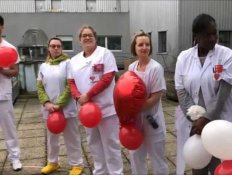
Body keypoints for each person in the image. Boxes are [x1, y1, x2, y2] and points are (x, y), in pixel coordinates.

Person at [174, 13, 232, 175]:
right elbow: (181, 92)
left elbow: (223, 93)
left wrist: (206, 119)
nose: (212, 38)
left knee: (221, 166)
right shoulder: (184, 57)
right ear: (196, 36)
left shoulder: (226, 55)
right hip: (194, 124)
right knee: (198, 164)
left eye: (214, 33)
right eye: (207, 34)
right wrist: (196, 120)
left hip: (221, 120)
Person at [68, 25, 123, 175]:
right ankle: (100, 171)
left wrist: (88, 95)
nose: (87, 37)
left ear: (95, 37)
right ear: (79, 40)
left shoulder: (105, 54)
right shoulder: (74, 60)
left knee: (111, 143)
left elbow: (108, 77)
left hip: (106, 109)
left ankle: (116, 172)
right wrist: (77, 96)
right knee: (93, 143)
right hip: (87, 111)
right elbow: (71, 82)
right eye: (83, 35)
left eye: (89, 35)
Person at [36, 37, 84, 175]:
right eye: (53, 46)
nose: (55, 48)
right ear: (48, 48)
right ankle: (52, 162)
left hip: (66, 108)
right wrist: (46, 103)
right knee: (51, 138)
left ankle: (77, 165)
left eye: (58, 46)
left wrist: (58, 104)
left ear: (62, 48)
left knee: (72, 137)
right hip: (49, 110)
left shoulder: (68, 63)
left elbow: (70, 85)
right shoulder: (43, 66)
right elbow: (39, 87)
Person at [127, 31, 169, 175]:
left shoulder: (156, 68)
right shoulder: (131, 68)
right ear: (135, 47)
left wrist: (135, 108)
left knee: (157, 158)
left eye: (147, 44)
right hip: (135, 121)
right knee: (135, 156)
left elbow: (156, 96)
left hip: (152, 120)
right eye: (140, 44)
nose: (144, 47)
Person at [0, 15, 22, 171]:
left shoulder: (10, 48)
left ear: (2, 27)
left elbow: (15, 71)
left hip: (3, 95)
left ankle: (15, 158)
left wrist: (2, 70)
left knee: (9, 128)